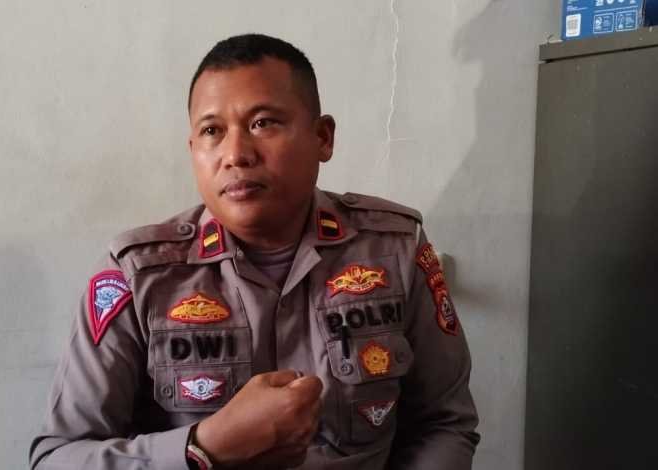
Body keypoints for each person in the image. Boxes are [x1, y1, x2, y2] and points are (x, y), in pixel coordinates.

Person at [29, 33, 479, 470]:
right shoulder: (139, 275)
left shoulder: (393, 250)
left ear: (323, 137)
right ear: (193, 150)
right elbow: (58, 457)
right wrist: (203, 448)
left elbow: (443, 423)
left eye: (263, 123)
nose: (236, 154)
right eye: (212, 131)